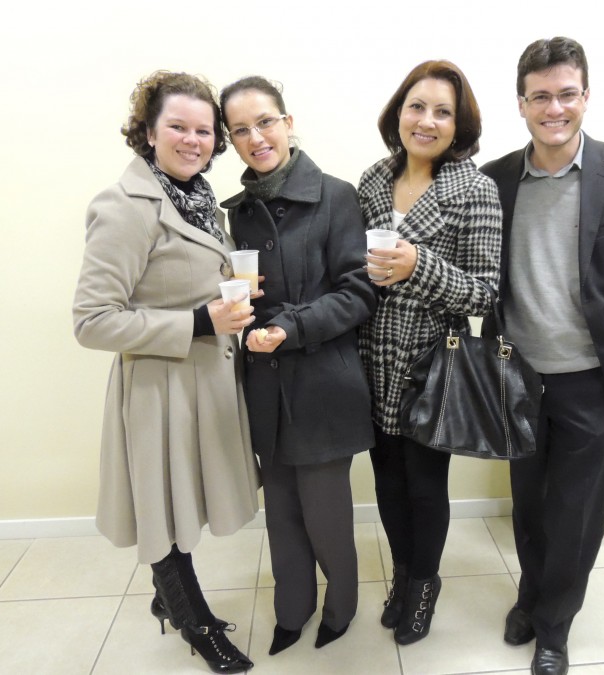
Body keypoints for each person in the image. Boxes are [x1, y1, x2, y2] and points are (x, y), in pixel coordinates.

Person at [480, 37, 604, 675]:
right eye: (540, 96)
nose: (555, 108)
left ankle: (555, 625)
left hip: (592, 379)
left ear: (586, 96)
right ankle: (531, 595)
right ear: (521, 104)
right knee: (528, 504)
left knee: (576, 512)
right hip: (515, 376)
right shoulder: (494, 179)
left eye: (567, 94)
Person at [73, 71, 259, 674]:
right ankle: (193, 620)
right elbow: (92, 321)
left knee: (185, 503)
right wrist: (201, 322)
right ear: (148, 132)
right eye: (177, 126)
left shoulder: (199, 198)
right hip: (158, 390)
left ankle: (168, 597)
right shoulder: (123, 206)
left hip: (205, 385)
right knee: (163, 511)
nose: (192, 140)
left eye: (204, 131)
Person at [217, 76, 377, 656]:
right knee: (281, 512)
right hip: (263, 383)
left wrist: (290, 327)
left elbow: (359, 292)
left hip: (322, 382)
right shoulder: (236, 214)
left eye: (265, 121)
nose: (256, 137)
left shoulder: (336, 196)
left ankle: (341, 607)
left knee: (326, 515)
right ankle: (293, 609)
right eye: (240, 129)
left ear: (287, 123)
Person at [358, 60, 502, 645]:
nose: (427, 121)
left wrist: (419, 265)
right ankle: (402, 575)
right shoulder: (373, 179)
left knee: (424, 485)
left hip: (431, 366)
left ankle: (423, 587)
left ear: (458, 125)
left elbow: (485, 291)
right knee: (386, 483)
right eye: (417, 106)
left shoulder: (475, 189)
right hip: (370, 357)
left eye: (443, 112)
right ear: (399, 113)